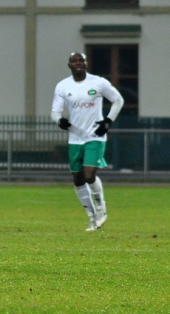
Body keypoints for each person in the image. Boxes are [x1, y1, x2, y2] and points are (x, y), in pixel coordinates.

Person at [51, 52, 124, 231]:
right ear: (69, 65)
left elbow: (118, 100)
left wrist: (107, 122)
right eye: (74, 61)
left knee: (89, 175)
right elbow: (55, 111)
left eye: (81, 60)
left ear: (86, 63)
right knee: (77, 179)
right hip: (75, 138)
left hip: (95, 136)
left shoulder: (98, 82)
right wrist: (60, 121)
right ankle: (92, 217)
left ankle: (101, 208)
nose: (78, 63)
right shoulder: (62, 86)